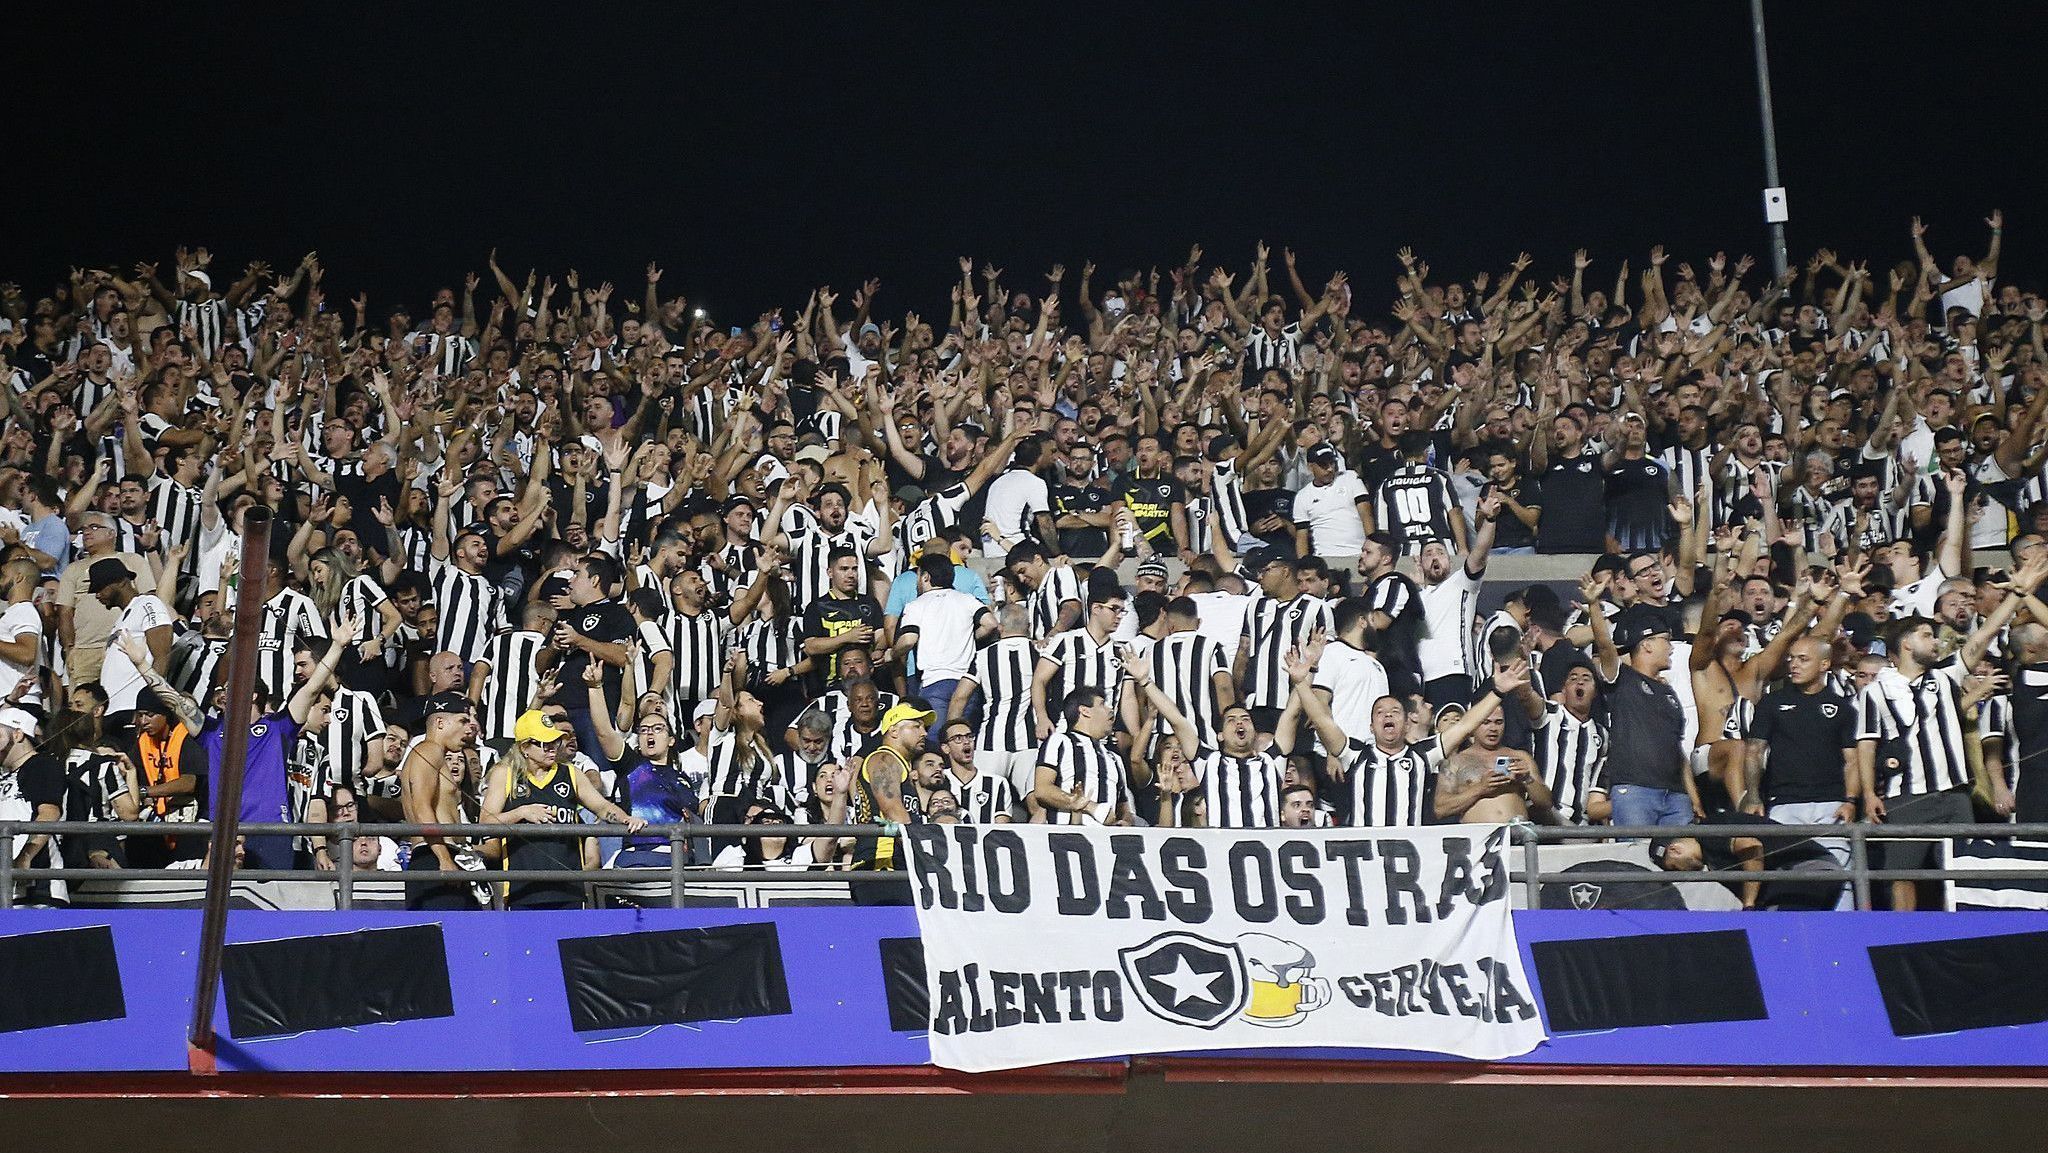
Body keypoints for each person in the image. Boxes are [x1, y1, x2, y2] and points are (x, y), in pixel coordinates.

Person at [482, 709, 644, 909]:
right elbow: (485, 823)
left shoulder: (571, 773)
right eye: (544, 743)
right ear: (525, 747)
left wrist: (626, 818)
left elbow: (601, 806)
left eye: (554, 742)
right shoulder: (504, 774)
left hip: (570, 889)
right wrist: (521, 812)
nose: (552, 748)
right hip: (522, 889)